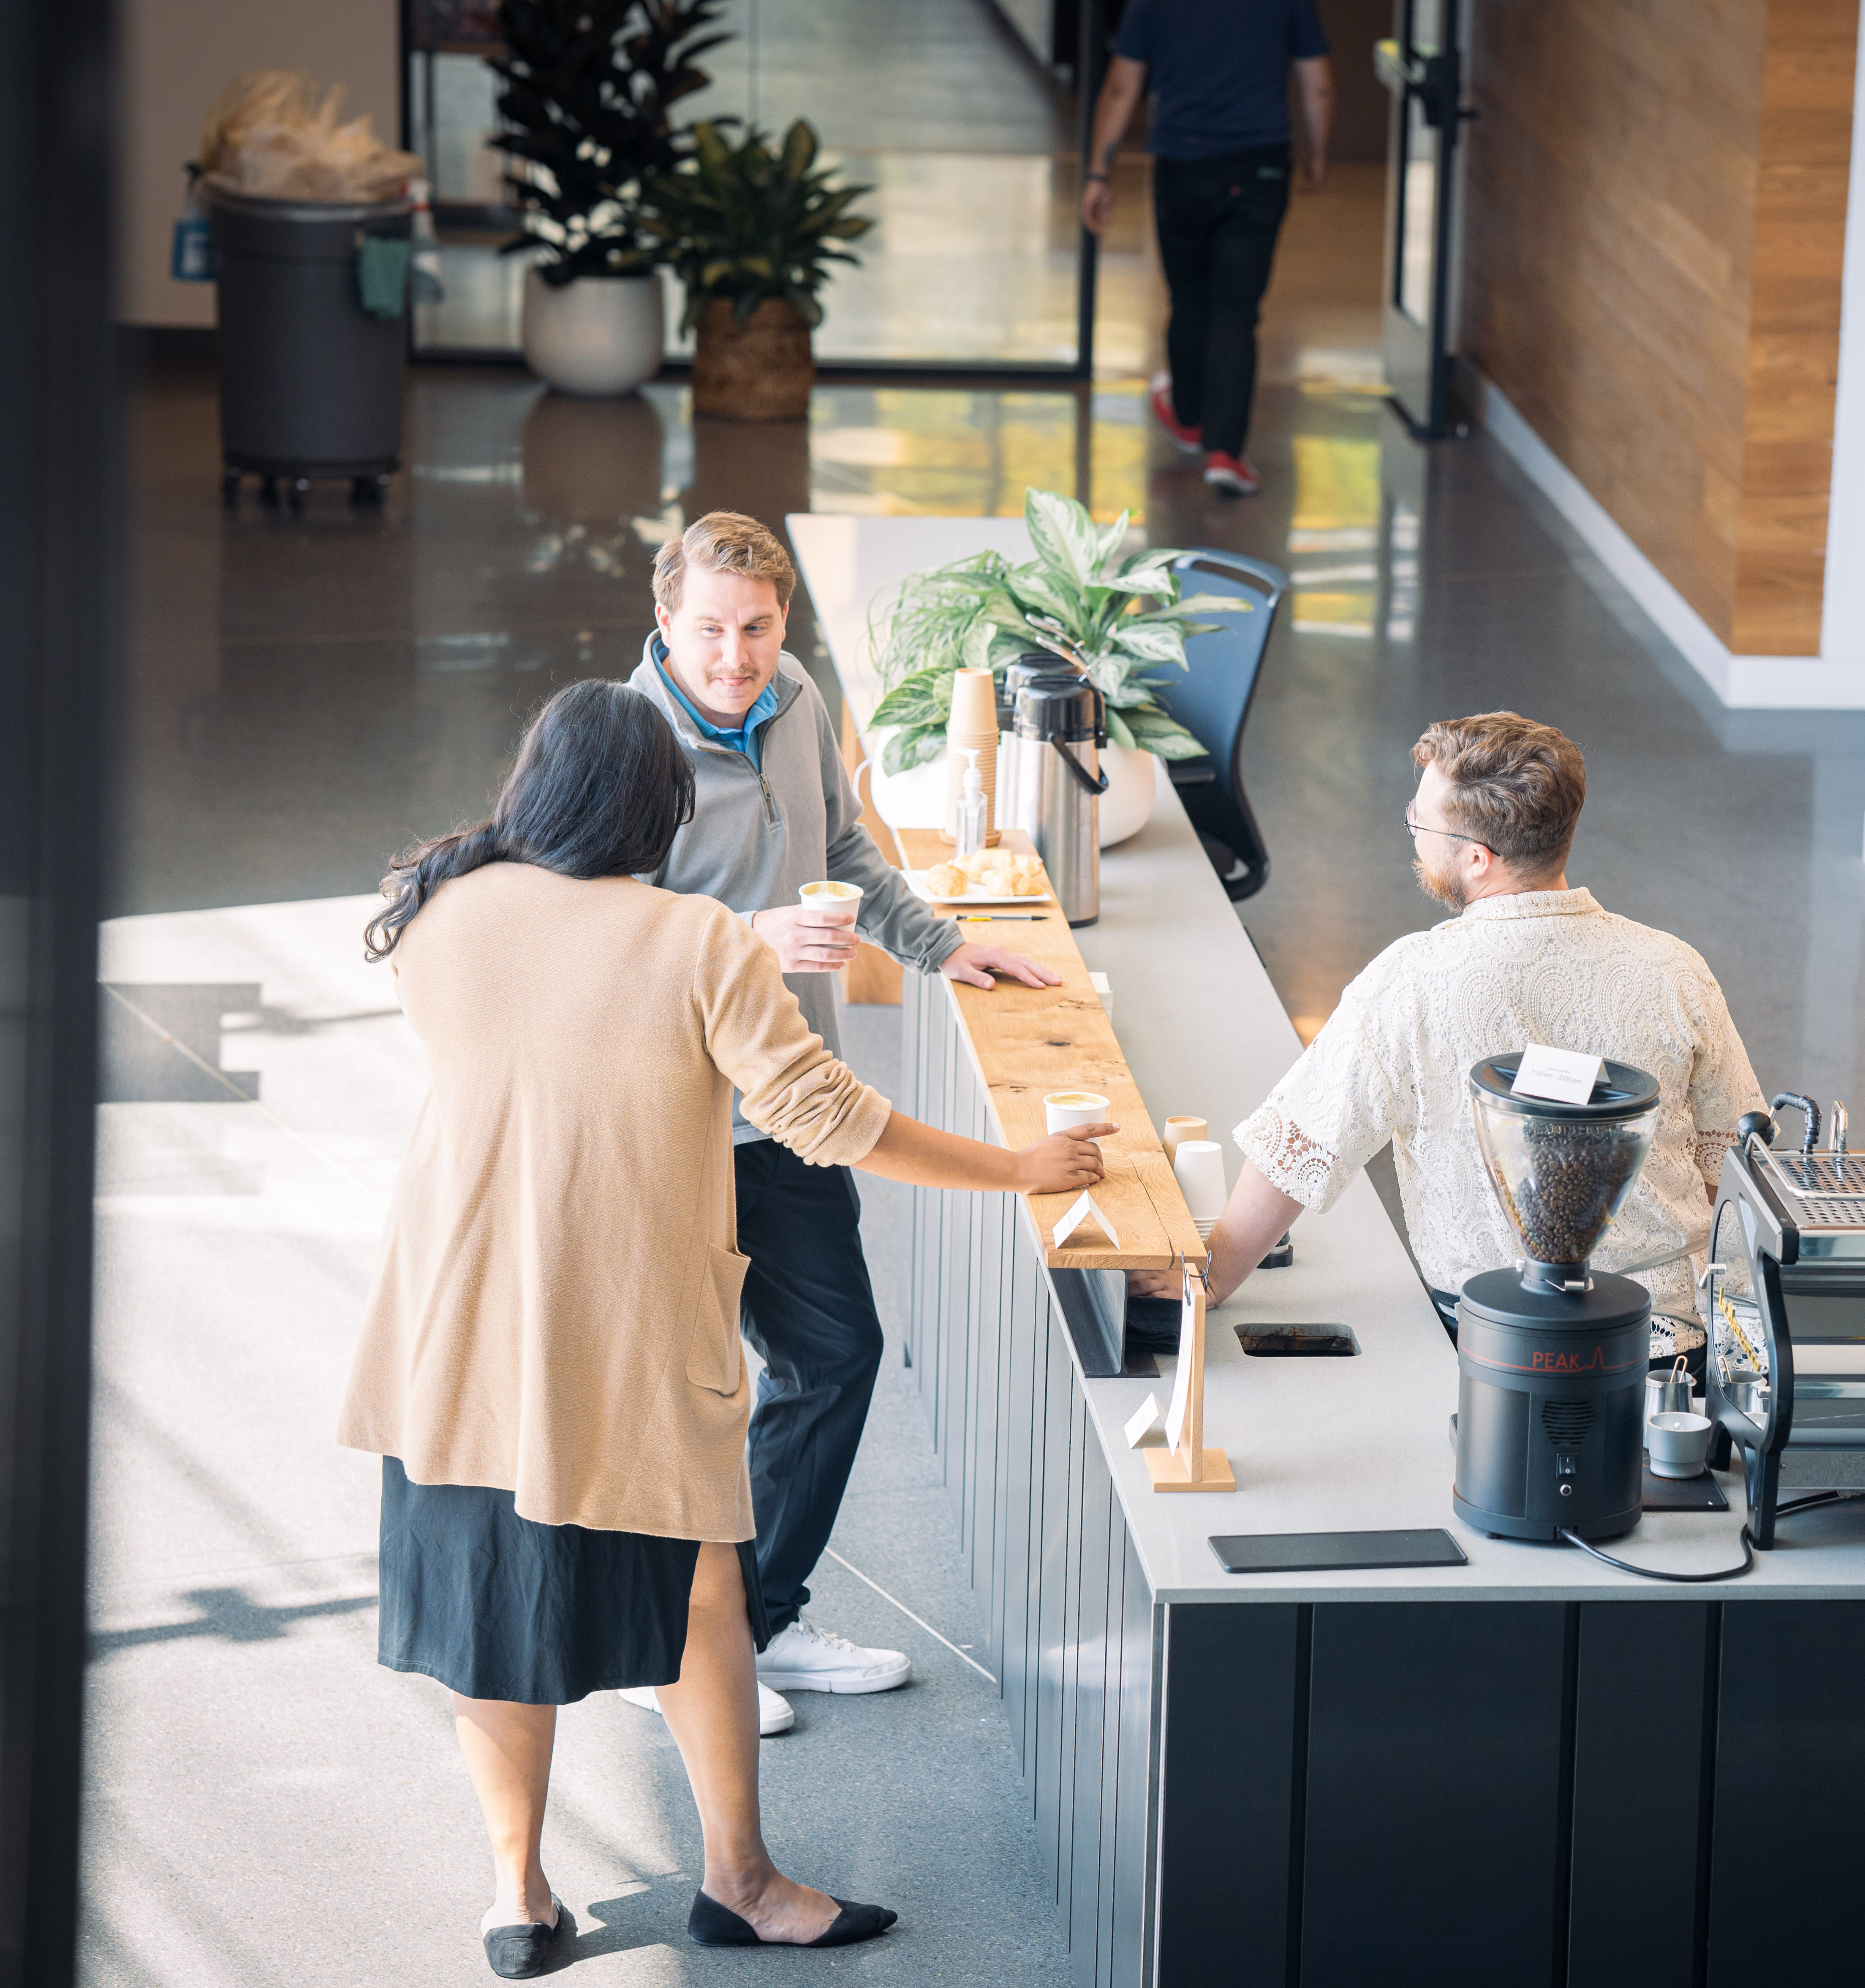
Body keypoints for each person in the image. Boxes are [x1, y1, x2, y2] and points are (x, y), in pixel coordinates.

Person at [337, 682, 1109, 1975]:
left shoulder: (441, 906)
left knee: (486, 1610)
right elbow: (829, 1118)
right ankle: (740, 1879)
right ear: (659, 805)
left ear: (535, 784)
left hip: (455, 1316)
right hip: (624, 1321)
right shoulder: (692, 939)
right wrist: (1019, 1167)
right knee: (703, 1597)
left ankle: (519, 1891)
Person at [621, 512, 1059, 1730]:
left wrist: (939, 943)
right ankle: (688, 1655)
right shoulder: (628, 749)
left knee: (833, 1355)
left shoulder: (797, 692)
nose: (736, 657)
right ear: (666, 623)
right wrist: (744, 943)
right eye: (709, 630)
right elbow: (600, 940)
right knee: (684, 1396)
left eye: (758, 628)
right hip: (677, 1122)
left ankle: (755, 1624)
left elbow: (847, 843)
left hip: (790, 1105)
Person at [1140, 712, 1763, 1363]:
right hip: (1669, 1343)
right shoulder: (1673, 968)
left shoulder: (1411, 980)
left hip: (1494, 1342)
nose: (1412, 832)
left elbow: (1298, 1146)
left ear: (1475, 858)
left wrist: (1210, 1276)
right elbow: (1735, 1164)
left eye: (1421, 822)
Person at [1079, 0, 1335, 498]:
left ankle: (1191, 418)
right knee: (1236, 313)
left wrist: (1097, 173)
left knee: (1189, 298)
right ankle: (1225, 453)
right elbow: (1317, 81)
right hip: (1259, 167)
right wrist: (1319, 154)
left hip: (1181, 167)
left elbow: (1119, 87)